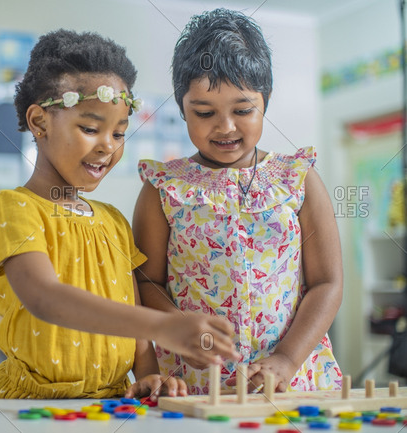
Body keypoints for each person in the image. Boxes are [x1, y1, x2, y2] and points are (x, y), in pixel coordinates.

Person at [0, 29, 240, 401]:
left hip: (111, 404)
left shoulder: (113, 221)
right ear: (39, 122)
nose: (108, 146)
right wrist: (166, 326)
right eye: (90, 129)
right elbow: (46, 298)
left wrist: (149, 375)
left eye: (119, 134)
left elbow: (132, 313)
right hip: (32, 404)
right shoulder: (15, 208)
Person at [133, 9, 343, 394]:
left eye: (243, 110)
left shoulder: (298, 179)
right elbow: (148, 280)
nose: (226, 126)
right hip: (192, 382)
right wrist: (176, 328)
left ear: (266, 102)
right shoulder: (163, 188)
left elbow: (327, 282)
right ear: (181, 109)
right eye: (204, 112)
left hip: (291, 379)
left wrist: (287, 358)